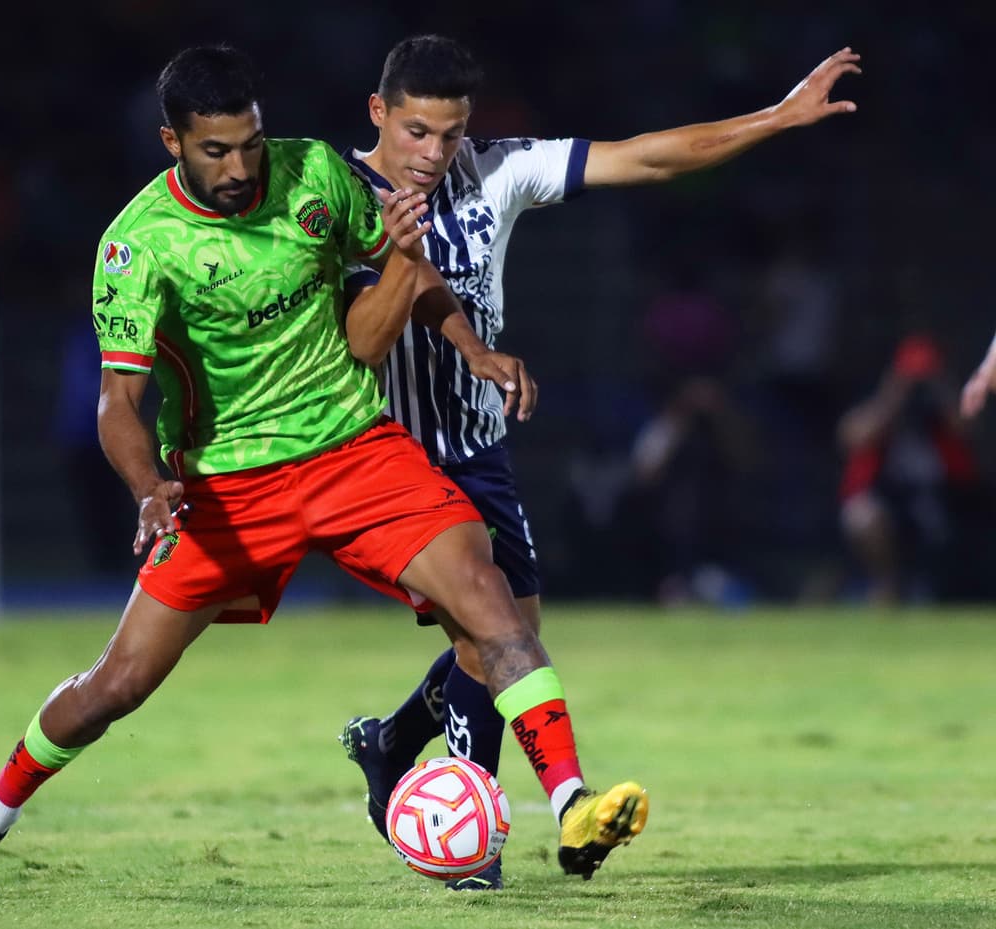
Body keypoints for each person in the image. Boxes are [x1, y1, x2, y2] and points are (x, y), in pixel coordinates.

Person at [0, 45, 647, 898]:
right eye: (216, 150)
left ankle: (573, 802)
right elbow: (117, 400)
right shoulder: (139, 246)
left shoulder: (315, 176)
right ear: (171, 141)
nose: (240, 165)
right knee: (118, 684)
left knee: (491, 596)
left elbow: (410, 266)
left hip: (354, 449)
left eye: (250, 142)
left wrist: (472, 347)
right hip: (227, 487)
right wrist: (150, 488)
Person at [337, 35, 859, 889]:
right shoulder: (335, 192)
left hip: (477, 448)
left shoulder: (496, 169)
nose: (435, 154)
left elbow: (646, 157)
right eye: (418, 132)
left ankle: (391, 743)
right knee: (487, 633)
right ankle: (490, 835)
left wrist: (779, 116)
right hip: (383, 456)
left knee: (514, 635)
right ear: (379, 114)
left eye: (452, 134)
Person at [838, 334, 987, 603]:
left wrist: (937, 384)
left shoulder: (940, 412)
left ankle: (947, 592)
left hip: (943, 500)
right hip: (892, 500)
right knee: (861, 515)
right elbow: (852, 436)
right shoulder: (884, 406)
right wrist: (897, 391)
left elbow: (968, 429)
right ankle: (887, 588)